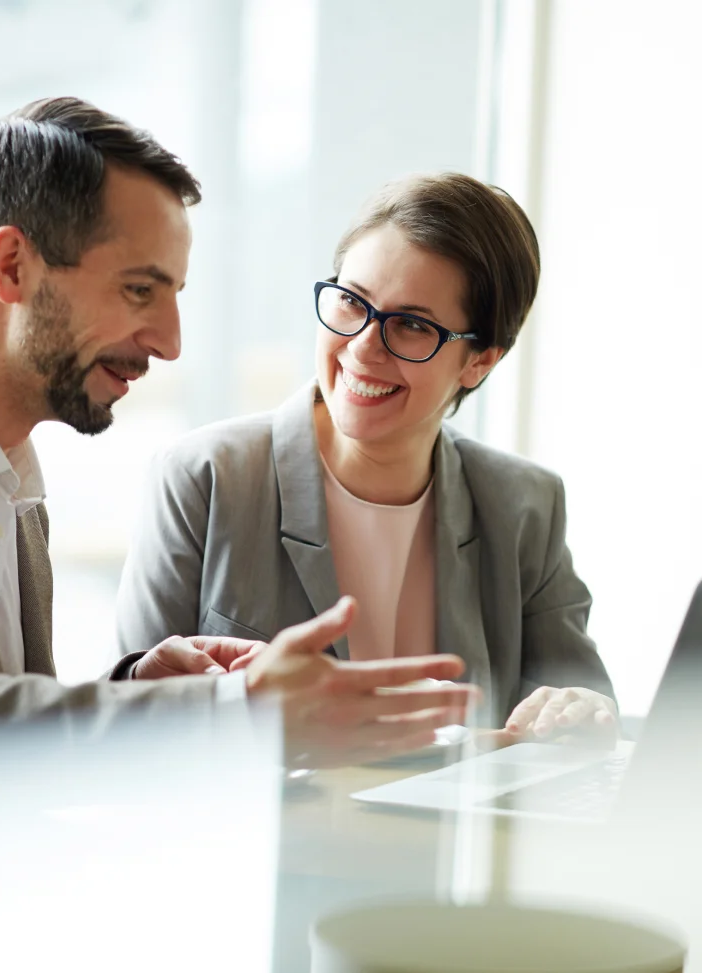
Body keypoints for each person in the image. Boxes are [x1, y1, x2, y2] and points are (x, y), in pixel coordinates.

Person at [0, 98, 477, 813]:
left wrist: (137, 688)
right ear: (10, 267)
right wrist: (233, 715)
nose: (170, 342)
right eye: (141, 291)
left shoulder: (1, 460)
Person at [114, 172, 616, 747]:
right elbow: (126, 725)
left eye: (410, 325)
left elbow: (581, 710)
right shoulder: (205, 478)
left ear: (479, 362)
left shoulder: (525, 504)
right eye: (353, 303)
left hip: (452, 835)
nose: (362, 347)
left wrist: (578, 712)